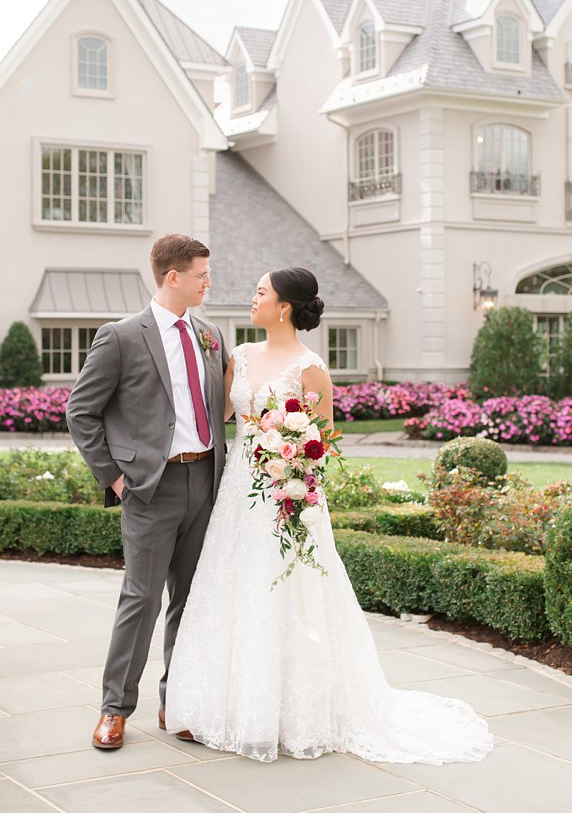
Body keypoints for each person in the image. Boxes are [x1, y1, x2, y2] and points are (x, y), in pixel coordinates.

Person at [163, 267, 493, 764]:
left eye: (260, 293)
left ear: (284, 307)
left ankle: (293, 712)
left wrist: (290, 466)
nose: (251, 299)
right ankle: (224, 705)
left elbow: (321, 440)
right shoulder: (242, 357)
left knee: (289, 594)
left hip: (285, 496)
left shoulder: (311, 367)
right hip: (238, 495)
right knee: (231, 588)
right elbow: (220, 416)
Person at [67, 234, 228, 751]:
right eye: (202, 274)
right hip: (149, 488)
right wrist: (115, 477)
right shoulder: (120, 337)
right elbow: (80, 411)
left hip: (205, 481)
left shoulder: (210, 334)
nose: (209, 282)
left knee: (189, 600)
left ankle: (174, 703)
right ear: (172, 277)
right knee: (141, 600)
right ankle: (115, 709)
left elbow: (219, 409)